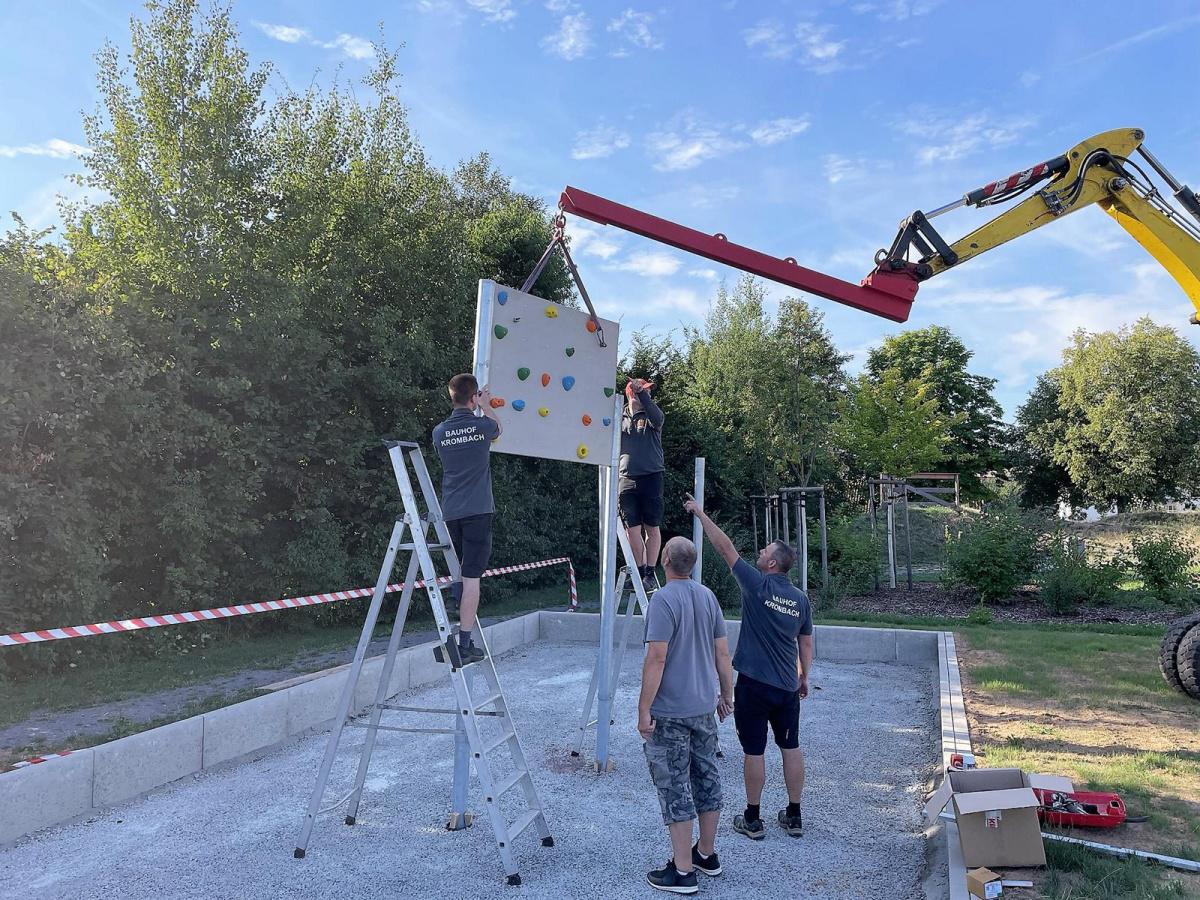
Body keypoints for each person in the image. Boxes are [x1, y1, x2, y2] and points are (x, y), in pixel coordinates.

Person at [685, 494, 814, 840]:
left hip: (754, 685)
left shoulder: (756, 585)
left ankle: (753, 819)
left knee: (753, 751)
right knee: (791, 747)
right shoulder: (801, 599)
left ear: (772, 564)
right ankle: (794, 815)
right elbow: (806, 642)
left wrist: (700, 512)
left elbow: (725, 547)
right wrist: (805, 676)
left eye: (764, 552)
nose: (759, 553)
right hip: (787, 688)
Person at [638, 536, 734, 894]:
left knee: (675, 785)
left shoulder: (662, 600)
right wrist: (727, 695)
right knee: (707, 776)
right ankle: (706, 855)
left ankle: (681, 872)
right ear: (691, 565)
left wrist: (643, 709)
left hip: (671, 712)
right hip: (703, 709)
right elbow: (722, 654)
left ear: (664, 560)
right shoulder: (708, 596)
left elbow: (657, 658)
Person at [431, 373, 503, 666]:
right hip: (478, 510)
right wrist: (486, 405)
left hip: (451, 511)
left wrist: (476, 403)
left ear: (451, 397)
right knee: (472, 576)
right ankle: (465, 643)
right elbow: (499, 428)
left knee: (460, 568)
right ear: (473, 398)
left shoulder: (439, 432)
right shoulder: (482, 425)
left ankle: (455, 598)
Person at [619, 377, 665, 596]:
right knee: (632, 529)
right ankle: (639, 571)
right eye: (641, 392)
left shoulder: (651, 414)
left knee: (651, 527)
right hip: (626, 477)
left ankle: (650, 573)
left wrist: (644, 396)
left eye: (647, 392)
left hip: (651, 475)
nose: (647, 395)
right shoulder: (620, 416)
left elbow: (658, 418)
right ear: (630, 395)